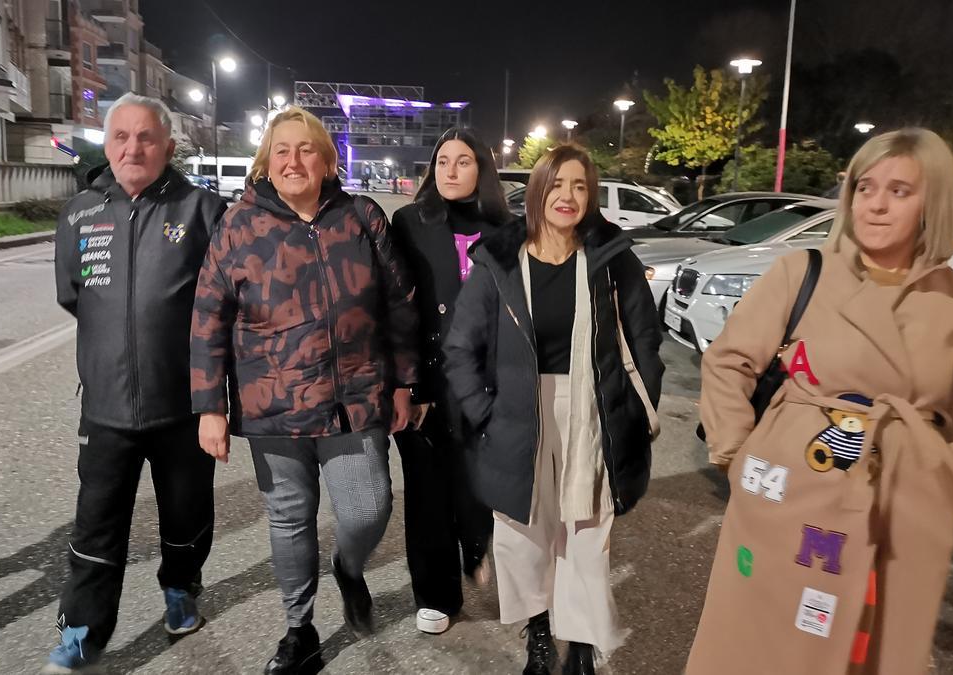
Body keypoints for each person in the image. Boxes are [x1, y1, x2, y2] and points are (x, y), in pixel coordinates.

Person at [687, 128, 953, 674]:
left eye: (900, 191)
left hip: (904, 513)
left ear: (934, 202)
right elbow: (728, 362)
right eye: (865, 187)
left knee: (877, 647)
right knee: (769, 646)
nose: (876, 204)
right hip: (796, 496)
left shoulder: (951, 301)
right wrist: (736, 455)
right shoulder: (803, 271)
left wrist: (945, 477)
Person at [190, 106, 418, 675]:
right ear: (267, 161)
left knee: (369, 508)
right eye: (283, 150)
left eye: (307, 149)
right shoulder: (239, 224)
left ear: (328, 159)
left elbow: (399, 302)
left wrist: (406, 382)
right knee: (289, 520)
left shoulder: (361, 216)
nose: (294, 160)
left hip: (356, 397)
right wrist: (209, 407)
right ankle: (300, 629)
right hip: (273, 404)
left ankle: (348, 567)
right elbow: (207, 317)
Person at [444, 144, 663, 675]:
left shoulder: (612, 259)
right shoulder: (500, 261)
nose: (568, 196)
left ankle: (582, 647)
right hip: (518, 413)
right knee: (526, 535)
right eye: (558, 184)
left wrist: (636, 411)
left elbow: (645, 342)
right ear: (539, 190)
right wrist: (484, 414)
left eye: (581, 186)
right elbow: (460, 348)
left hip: (592, 410)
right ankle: (538, 631)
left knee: (587, 534)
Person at [45, 94, 226, 674]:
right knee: (96, 524)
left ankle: (180, 587)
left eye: (145, 137)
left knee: (186, 514)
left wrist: (213, 397)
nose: (132, 148)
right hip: (105, 406)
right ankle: (82, 630)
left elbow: (221, 305)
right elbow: (74, 294)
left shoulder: (202, 210)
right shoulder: (78, 212)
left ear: (168, 146)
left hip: (183, 405)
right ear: (106, 143)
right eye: (120, 136)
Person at [388, 127, 512, 635]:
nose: (451, 171)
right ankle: (435, 592)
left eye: (463, 161)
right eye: (442, 161)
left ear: (482, 169)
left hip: (489, 382)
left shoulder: (507, 229)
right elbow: (396, 307)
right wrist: (407, 385)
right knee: (428, 491)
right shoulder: (409, 222)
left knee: (478, 483)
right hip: (428, 381)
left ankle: (478, 544)